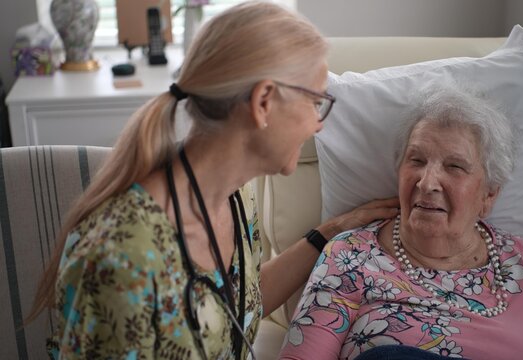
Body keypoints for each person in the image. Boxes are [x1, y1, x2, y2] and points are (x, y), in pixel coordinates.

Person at [26, 2, 399, 359]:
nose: (318, 123)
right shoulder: (122, 257)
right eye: (315, 102)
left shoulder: (238, 198)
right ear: (264, 102)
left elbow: (236, 309)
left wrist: (331, 230)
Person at [279, 81, 523, 359]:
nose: (427, 182)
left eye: (454, 167)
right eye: (416, 160)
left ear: (489, 195)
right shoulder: (350, 256)